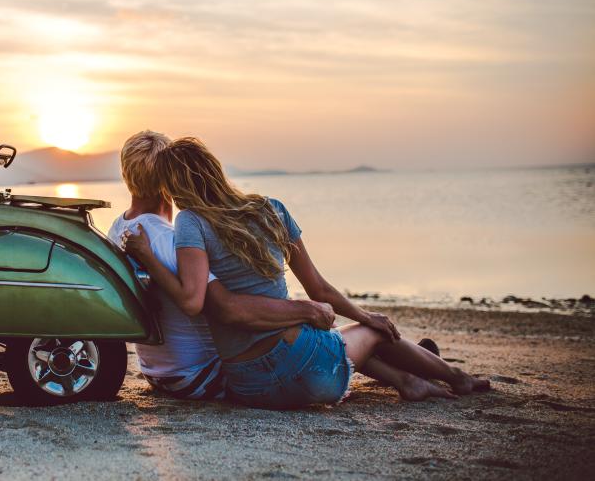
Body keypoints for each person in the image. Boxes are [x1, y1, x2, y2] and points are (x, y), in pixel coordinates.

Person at [123, 136, 490, 409]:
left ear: (171, 185)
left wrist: (145, 255)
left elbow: (200, 299)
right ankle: (456, 377)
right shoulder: (272, 210)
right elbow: (317, 288)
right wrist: (365, 316)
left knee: (338, 334)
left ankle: (409, 381)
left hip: (250, 387)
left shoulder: (190, 222)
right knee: (371, 334)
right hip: (303, 368)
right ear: (214, 168)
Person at [108, 131, 337, 401]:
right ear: (170, 179)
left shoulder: (119, 228)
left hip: (158, 371)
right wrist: (306, 310)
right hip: (201, 374)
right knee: (324, 343)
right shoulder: (168, 241)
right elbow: (225, 306)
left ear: (126, 175)